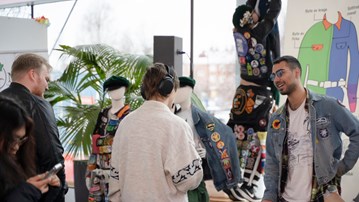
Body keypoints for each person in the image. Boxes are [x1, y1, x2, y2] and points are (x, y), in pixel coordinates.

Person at [263, 55, 359, 202]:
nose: (276, 79)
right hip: (285, 198)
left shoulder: (328, 106)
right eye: (274, 75)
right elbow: (271, 161)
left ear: (297, 73)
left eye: (281, 73)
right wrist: (269, 196)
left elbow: (357, 132)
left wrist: (342, 167)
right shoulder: (276, 119)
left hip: (320, 195)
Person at [109, 63, 203, 201]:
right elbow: (189, 180)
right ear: (170, 88)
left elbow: (115, 179)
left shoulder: (125, 124)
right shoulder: (176, 126)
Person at [227, 2, 281, 201]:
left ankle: (239, 181)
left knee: (240, 138)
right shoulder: (257, 32)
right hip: (259, 94)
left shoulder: (238, 33)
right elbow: (273, 13)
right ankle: (250, 184)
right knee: (258, 141)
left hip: (243, 93)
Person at [0, 53, 67, 202]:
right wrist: (60, 187)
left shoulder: (2, 100)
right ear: (33, 75)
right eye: (46, 78)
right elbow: (52, 151)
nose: (47, 85)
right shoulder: (37, 103)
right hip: (36, 192)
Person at [174, 76, 242, 202]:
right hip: (178, 166)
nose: (175, 93)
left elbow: (225, 133)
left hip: (197, 165)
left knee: (197, 194)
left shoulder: (203, 117)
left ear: (188, 90)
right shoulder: (174, 116)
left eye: (179, 88)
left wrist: (207, 152)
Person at [0, 96, 61, 201]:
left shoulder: (15, 164)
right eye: (12, 139)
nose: (16, 147)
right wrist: (29, 190)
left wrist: (47, 190)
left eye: (21, 140)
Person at [86, 75, 131, 202]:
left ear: (125, 89)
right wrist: (90, 171)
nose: (115, 92)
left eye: (119, 88)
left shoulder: (129, 116)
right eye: (111, 90)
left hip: (119, 174)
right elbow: (94, 144)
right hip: (99, 172)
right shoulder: (103, 114)